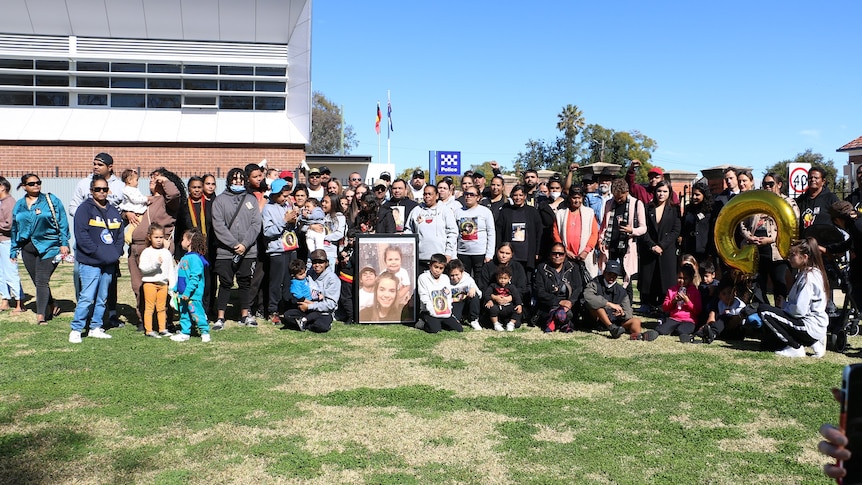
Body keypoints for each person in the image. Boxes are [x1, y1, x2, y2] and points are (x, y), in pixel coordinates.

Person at [747, 237, 829, 357]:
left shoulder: (809, 278)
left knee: (764, 311)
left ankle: (796, 347)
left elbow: (799, 311)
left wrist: (783, 307)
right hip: (808, 325)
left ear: (805, 257)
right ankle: (814, 342)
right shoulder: (807, 273)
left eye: (792, 255)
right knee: (767, 344)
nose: (789, 258)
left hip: (808, 325)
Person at [68, 175, 124, 343]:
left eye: (104, 189)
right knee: (87, 296)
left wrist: (115, 253)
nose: (101, 192)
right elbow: (82, 236)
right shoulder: (84, 209)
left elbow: (119, 236)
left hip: (109, 262)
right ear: (91, 191)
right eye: (98, 189)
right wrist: (98, 253)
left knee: (103, 297)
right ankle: (76, 329)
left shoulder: (113, 210)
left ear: (109, 191)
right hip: (90, 262)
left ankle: (95, 327)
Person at [125, 168, 183, 328]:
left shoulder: (168, 201)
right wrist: (127, 214)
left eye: (156, 178)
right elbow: (126, 208)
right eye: (151, 177)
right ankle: (144, 320)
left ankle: (165, 321)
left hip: (155, 250)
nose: (152, 180)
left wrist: (165, 181)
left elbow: (175, 195)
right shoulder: (144, 200)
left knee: (160, 285)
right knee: (138, 286)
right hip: (135, 249)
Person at [10, 174, 70, 325]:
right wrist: (14, 248)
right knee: (37, 281)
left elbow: (62, 221)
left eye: (38, 182)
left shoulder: (51, 200)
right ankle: (52, 304)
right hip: (27, 247)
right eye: (31, 184)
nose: (36, 185)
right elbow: (14, 228)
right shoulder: (19, 205)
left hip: (50, 246)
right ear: (24, 186)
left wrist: (64, 243)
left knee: (42, 280)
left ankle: (41, 316)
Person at [211, 168, 262, 330]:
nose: (238, 181)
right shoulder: (219, 201)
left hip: (248, 251)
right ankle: (220, 317)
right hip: (225, 252)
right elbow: (218, 225)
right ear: (229, 180)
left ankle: (245, 314)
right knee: (225, 283)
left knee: (245, 282)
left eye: (241, 179)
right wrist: (234, 245)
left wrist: (245, 244)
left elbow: (256, 224)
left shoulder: (251, 199)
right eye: (234, 179)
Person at [583, 260, 658, 341]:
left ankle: (637, 336)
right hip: (596, 319)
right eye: (609, 274)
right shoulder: (595, 283)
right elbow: (587, 297)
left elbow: (628, 312)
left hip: (615, 321)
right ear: (604, 272)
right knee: (597, 307)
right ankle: (611, 328)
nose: (612, 277)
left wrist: (622, 314)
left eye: (615, 275)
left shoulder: (621, 290)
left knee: (636, 321)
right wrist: (609, 304)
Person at [598, 179, 646, 302]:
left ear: (627, 192)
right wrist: (601, 240)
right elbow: (604, 225)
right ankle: (609, 301)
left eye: (621, 197)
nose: (618, 200)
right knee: (608, 274)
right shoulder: (609, 203)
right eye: (616, 197)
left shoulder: (636, 204)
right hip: (610, 244)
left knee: (627, 277)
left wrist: (632, 230)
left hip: (627, 246)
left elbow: (643, 228)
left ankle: (627, 304)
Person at [636, 181, 681, 314]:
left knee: (665, 278)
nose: (661, 194)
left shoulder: (674, 209)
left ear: (669, 193)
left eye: (665, 191)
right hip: (649, 249)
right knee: (648, 277)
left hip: (666, 250)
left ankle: (664, 304)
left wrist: (662, 245)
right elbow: (643, 228)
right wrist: (652, 245)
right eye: (659, 191)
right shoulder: (647, 207)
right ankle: (647, 303)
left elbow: (676, 230)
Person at [261, 178, 299, 323]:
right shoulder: (268, 209)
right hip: (277, 251)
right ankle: (273, 311)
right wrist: (284, 220)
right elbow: (267, 232)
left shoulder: (287, 206)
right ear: (275, 194)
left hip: (291, 248)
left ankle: (288, 309)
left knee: (289, 280)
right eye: (283, 195)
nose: (286, 198)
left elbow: (292, 228)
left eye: (287, 195)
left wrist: (294, 219)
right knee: (276, 282)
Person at [170, 228, 211, 343]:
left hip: (193, 296)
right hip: (183, 294)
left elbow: (194, 278)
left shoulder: (195, 259)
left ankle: (205, 332)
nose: (181, 241)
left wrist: (188, 292)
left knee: (196, 313)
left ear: (189, 242)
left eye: (183, 239)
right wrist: (175, 288)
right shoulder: (184, 258)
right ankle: (185, 332)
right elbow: (182, 276)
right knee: (184, 314)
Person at [283, 249, 339, 332]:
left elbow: (331, 304)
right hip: (306, 309)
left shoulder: (333, 279)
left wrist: (309, 306)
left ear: (326, 263)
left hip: (322, 311)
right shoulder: (308, 273)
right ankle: (303, 322)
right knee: (287, 316)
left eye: (320, 262)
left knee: (320, 326)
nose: (317, 265)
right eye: (314, 262)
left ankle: (305, 324)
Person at [553, 186, 600, 282]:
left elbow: (594, 233)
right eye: (574, 198)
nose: (577, 200)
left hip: (585, 255)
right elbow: (556, 233)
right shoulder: (561, 213)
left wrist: (586, 250)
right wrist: (564, 250)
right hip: (566, 255)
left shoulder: (589, 213)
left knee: (587, 282)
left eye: (579, 198)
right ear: (570, 198)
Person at [138, 223, 177, 338]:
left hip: (163, 284)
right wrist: (155, 264)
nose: (159, 240)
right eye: (156, 237)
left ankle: (162, 329)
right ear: (150, 237)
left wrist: (172, 285)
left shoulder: (166, 253)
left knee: (161, 307)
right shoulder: (146, 252)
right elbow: (143, 269)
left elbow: (171, 269)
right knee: (149, 307)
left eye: (161, 237)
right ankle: (149, 330)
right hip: (150, 283)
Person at [404, 184, 458, 267]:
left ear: (436, 196)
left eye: (430, 194)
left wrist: (448, 252)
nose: (427, 196)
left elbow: (452, 233)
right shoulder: (416, 210)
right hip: (420, 257)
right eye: (425, 194)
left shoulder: (445, 210)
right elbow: (409, 230)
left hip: (441, 258)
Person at [533, 242, 581, 332]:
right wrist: (559, 302)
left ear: (565, 255)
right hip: (549, 304)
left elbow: (578, 288)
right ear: (550, 254)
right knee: (561, 313)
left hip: (569, 305)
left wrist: (570, 302)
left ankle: (555, 322)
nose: (557, 256)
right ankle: (562, 322)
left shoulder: (573, 267)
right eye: (554, 253)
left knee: (568, 313)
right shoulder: (542, 268)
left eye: (561, 254)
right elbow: (540, 291)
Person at [496, 185, 543, 275]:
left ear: (525, 196)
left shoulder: (532, 212)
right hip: (510, 254)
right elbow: (499, 232)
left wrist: (537, 251)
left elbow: (539, 232)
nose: (518, 198)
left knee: (527, 280)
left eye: (521, 195)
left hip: (527, 254)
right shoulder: (505, 212)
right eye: (515, 195)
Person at [416, 253, 462, 333]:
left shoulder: (445, 278)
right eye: (436, 267)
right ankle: (422, 323)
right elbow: (424, 297)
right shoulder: (423, 277)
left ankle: (440, 322)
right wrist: (432, 311)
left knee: (459, 329)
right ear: (430, 266)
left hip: (443, 311)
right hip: (429, 311)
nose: (438, 270)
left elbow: (448, 295)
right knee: (435, 330)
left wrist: (449, 310)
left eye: (441, 268)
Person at [455, 186, 496, 276]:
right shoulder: (458, 212)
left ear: (478, 197)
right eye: (466, 194)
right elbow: (455, 233)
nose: (468, 196)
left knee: (480, 280)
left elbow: (491, 233)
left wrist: (489, 254)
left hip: (480, 253)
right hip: (462, 253)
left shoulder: (485, 211)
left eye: (471, 195)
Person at [655, 265, 702, 341]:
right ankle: (667, 326)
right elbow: (665, 308)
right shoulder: (672, 290)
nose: (682, 281)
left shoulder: (695, 292)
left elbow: (698, 310)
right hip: (675, 318)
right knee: (661, 330)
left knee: (681, 331)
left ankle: (679, 331)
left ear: (691, 279)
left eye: (685, 278)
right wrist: (673, 301)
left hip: (689, 320)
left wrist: (688, 301)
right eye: (680, 278)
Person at [0, 176, 23, 313]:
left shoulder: (9, 203)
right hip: (2, 241)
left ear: (2, 187)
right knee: (1, 273)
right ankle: (5, 299)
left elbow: (10, 225)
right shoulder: (2, 202)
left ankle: (20, 303)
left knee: (11, 271)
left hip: (8, 242)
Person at [698, 279, 743, 344]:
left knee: (724, 317)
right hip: (723, 329)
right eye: (724, 294)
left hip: (736, 330)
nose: (727, 296)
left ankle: (712, 333)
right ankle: (704, 332)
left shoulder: (739, 305)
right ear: (719, 296)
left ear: (734, 293)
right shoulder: (719, 304)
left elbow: (739, 320)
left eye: (730, 293)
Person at [680, 183, 715, 265]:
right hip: (689, 249)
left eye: (697, 195)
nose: (694, 197)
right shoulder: (688, 208)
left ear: (704, 195)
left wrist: (711, 252)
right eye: (693, 194)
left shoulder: (710, 210)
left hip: (705, 251)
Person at [447, 259, 482, 330]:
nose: (455, 278)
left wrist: (473, 289)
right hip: (454, 302)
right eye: (452, 275)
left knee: (474, 295)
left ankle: (474, 320)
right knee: (453, 322)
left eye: (457, 275)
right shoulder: (446, 281)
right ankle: (459, 318)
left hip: (466, 301)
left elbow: (480, 294)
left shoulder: (468, 280)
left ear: (462, 272)